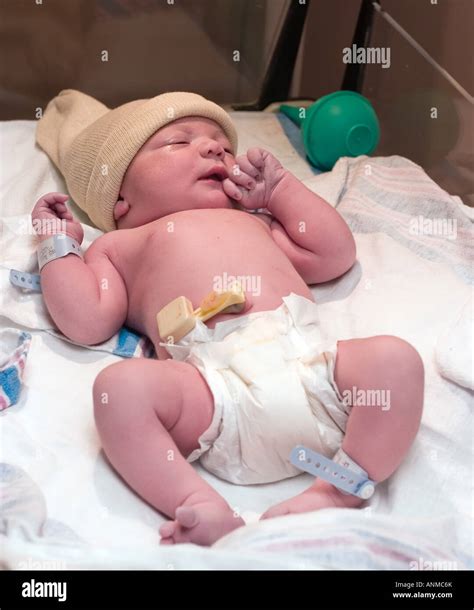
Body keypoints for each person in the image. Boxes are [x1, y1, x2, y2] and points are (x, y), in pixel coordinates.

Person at [33, 90, 424, 546]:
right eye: (179, 143)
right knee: (117, 392)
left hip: (315, 374)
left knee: (396, 361)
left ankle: (338, 489)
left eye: (223, 143)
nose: (215, 148)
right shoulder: (120, 246)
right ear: (120, 198)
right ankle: (198, 502)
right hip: (211, 396)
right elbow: (85, 320)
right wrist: (57, 246)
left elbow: (335, 254)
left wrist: (280, 193)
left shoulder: (256, 222)